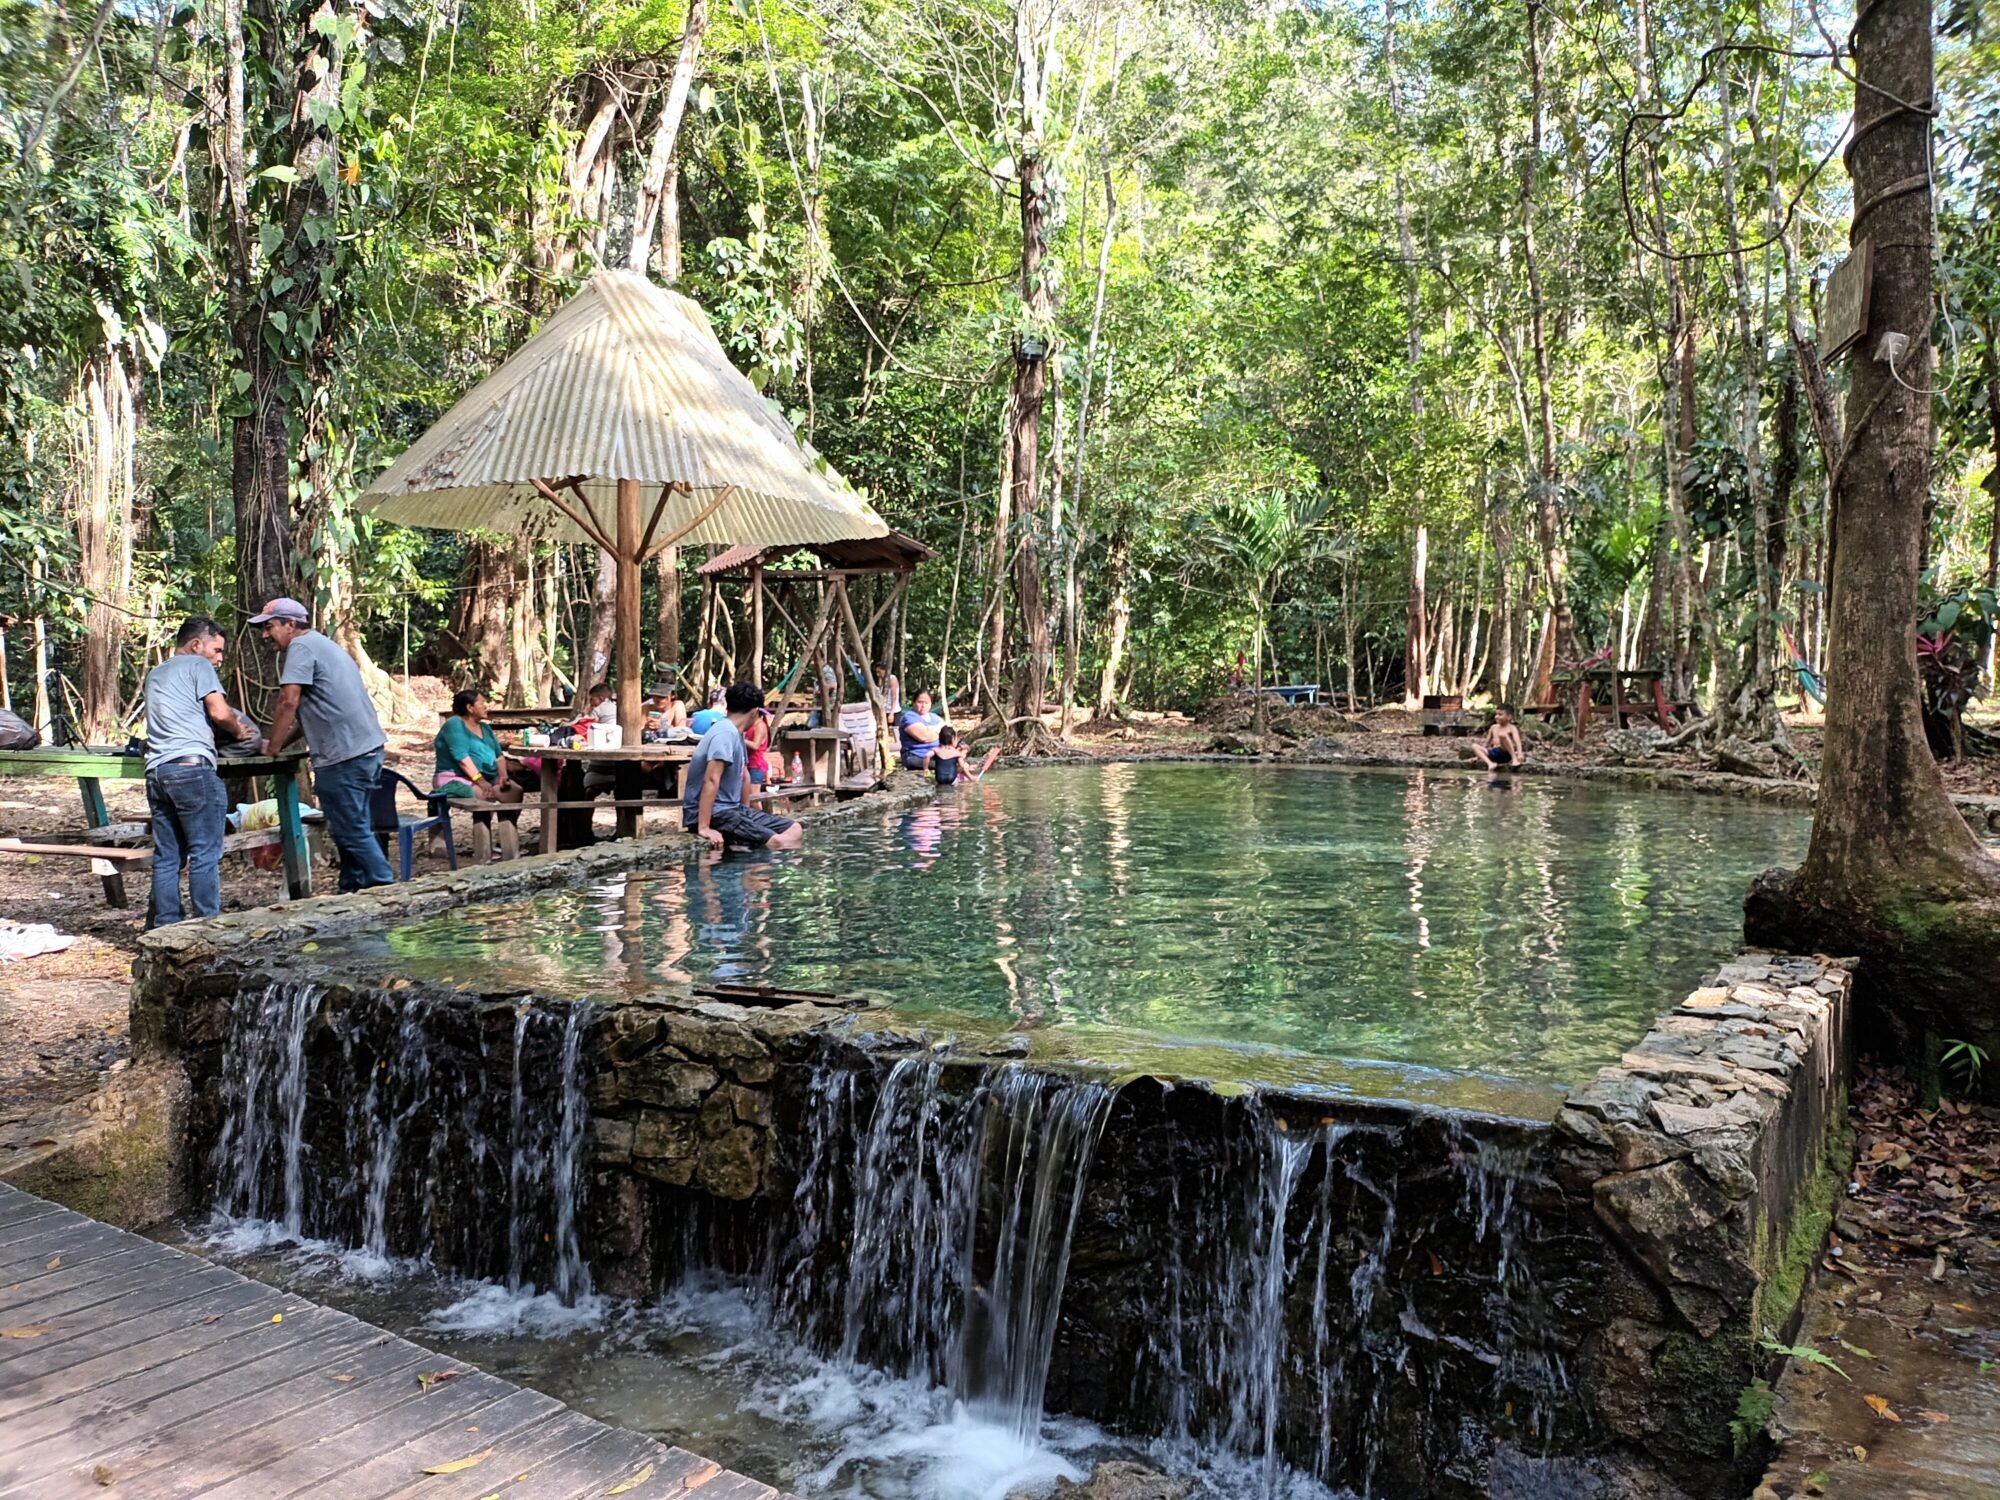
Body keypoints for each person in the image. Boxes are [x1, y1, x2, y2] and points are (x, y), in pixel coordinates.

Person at [252, 597, 395, 892]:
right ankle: (352, 887)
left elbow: (288, 701)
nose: (266, 635)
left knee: (350, 829)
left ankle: (386, 887)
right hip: (364, 749)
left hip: (344, 755)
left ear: (290, 625)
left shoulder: (300, 648)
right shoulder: (324, 645)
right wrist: (280, 743)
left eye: (270, 627)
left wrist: (273, 747)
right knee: (353, 825)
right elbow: (311, 713)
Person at [141, 618, 248, 926]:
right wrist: (237, 730)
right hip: (192, 770)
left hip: (158, 772)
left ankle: (167, 927)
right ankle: (207, 926)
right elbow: (219, 711)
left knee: (167, 857)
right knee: (204, 853)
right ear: (196, 645)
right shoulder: (198, 666)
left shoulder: (156, 674)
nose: (219, 657)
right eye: (217, 649)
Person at [685, 682, 803, 851]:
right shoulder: (724, 733)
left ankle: (746, 858)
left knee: (795, 828)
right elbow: (711, 779)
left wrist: (747, 814)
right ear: (755, 712)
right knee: (777, 843)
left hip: (733, 810)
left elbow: (744, 775)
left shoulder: (736, 733)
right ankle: (752, 869)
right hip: (716, 814)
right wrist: (704, 827)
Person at [434, 688, 525, 861]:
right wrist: (481, 781)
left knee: (515, 791)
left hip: (487, 778)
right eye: (482, 703)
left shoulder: (485, 728)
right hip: (454, 779)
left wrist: (503, 776)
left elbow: (499, 756)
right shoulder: (455, 724)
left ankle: (505, 844)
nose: (486, 706)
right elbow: (462, 758)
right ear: (470, 707)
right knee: (485, 796)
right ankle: (483, 851)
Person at [896, 689, 945, 770]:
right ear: (914, 702)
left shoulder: (934, 717)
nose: (923, 706)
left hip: (936, 753)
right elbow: (924, 737)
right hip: (916, 756)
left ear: (931, 704)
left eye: (926, 703)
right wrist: (939, 731)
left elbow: (948, 734)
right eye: (920, 702)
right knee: (942, 765)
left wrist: (931, 730)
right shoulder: (909, 717)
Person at [1470, 703, 1527, 771]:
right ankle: (1490, 763)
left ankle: (1514, 759)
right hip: (1494, 753)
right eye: (1496, 714)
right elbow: (1486, 743)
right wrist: (1477, 757)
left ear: (1509, 717)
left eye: (1500, 715)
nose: (1496, 717)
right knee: (1474, 746)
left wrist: (1520, 754)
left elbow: (1517, 741)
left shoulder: (1512, 728)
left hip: (1507, 753)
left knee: (1502, 735)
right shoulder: (1493, 727)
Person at [744, 705, 773, 788]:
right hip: (749, 763)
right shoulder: (751, 724)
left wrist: (741, 740)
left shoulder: (760, 725)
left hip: (756, 765)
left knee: (754, 797)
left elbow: (755, 745)